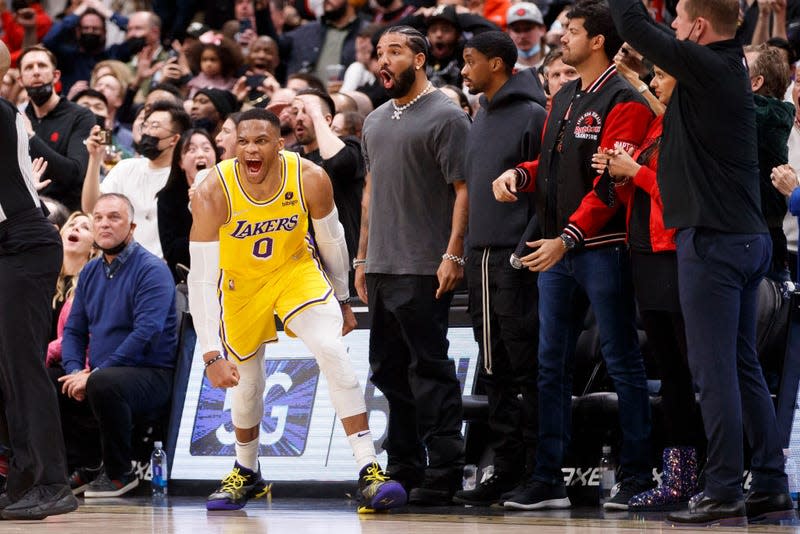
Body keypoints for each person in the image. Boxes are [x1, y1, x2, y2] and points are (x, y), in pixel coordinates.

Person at [609, 0, 795, 525]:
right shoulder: (725, 69)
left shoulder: (710, 62)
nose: (670, 28)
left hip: (713, 242)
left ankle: (722, 489)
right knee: (740, 364)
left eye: (677, 20)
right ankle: (770, 482)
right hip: (746, 237)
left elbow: (630, 22)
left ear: (696, 27)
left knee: (714, 371)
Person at [187, 107, 406, 513]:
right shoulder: (211, 191)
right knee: (247, 383)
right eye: (243, 142)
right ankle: (247, 470)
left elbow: (333, 240)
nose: (250, 149)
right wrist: (210, 354)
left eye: (261, 141)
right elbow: (200, 282)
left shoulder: (309, 176)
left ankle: (369, 469)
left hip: (294, 272)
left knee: (332, 349)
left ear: (279, 144)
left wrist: (342, 298)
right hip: (239, 285)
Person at [491, 0, 654, 511]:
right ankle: (548, 480)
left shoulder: (625, 98)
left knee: (624, 362)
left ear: (598, 40)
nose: (562, 38)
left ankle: (635, 478)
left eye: (572, 31)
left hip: (601, 250)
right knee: (549, 366)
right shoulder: (563, 94)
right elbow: (555, 162)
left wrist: (568, 237)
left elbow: (611, 185)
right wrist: (522, 174)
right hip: (557, 248)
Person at [355, 25, 469, 506]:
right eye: (380, 53)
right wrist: (361, 258)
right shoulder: (374, 120)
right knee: (387, 370)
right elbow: (370, 192)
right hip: (381, 263)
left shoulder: (447, 117)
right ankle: (402, 467)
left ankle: (445, 471)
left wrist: (453, 252)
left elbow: (464, 189)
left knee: (430, 370)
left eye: (395, 52)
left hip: (425, 265)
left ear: (420, 59)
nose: (384, 61)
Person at [591, 62, 702, 511]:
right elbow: (641, 182)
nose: (654, 83)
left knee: (695, 372)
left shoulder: (691, 126)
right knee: (671, 373)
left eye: (660, 75)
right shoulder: (658, 120)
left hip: (675, 255)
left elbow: (678, 192)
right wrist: (617, 172)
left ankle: (717, 476)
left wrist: (634, 171)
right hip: (646, 255)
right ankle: (680, 476)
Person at [454, 30, 547, 507]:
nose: (463, 71)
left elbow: (547, 189)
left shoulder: (533, 113)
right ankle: (506, 466)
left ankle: (535, 470)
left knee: (522, 366)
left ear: (496, 64)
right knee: (492, 369)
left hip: (514, 258)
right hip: (480, 258)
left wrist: (522, 247)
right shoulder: (480, 114)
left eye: (469, 62)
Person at [0, 39, 79, 521]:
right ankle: (24, 478)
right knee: (8, 370)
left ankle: (52, 482)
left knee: (24, 367)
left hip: (23, 242)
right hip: (11, 242)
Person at [57, 193, 177, 498]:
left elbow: (146, 332)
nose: (104, 224)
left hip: (150, 374)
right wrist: (74, 371)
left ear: (132, 226)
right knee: (49, 380)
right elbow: (73, 331)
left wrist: (95, 372)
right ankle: (85, 465)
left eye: (114, 217)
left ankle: (119, 474)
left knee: (103, 383)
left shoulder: (152, 269)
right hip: (102, 373)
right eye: (98, 218)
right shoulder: (90, 272)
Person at [82, 100, 191, 257]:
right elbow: (90, 206)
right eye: (145, 126)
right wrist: (94, 158)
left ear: (174, 139)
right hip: (122, 262)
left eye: (155, 126)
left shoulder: (182, 177)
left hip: (162, 267)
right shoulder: (126, 167)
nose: (146, 132)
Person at [289, 88, 364, 276]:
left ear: (328, 120)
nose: (299, 117)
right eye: (295, 112)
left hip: (347, 265)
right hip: (306, 267)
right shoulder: (293, 160)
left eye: (306, 110)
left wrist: (316, 115)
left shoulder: (349, 145)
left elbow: (340, 163)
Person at [19, 45, 95, 212]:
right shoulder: (18, 118)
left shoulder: (81, 116)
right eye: (29, 67)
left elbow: (75, 174)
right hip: (25, 210)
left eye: (42, 65)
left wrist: (31, 137)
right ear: (20, 80)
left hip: (65, 211)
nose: (36, 72)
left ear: (56, 76)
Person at [158, 128, 219, 281]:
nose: (200, 154)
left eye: (206, 148)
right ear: (180, 162)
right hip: (187, 278)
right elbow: (172, 252)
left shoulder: (231, 192)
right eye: (191, 150)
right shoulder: (168, 198)